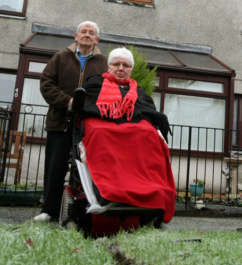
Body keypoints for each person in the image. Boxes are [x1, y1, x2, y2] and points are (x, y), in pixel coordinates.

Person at [79, 47, 176, 223]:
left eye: (125, 65)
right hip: (101, 125)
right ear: (109, 67)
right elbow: (87, 107)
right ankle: (108, 189)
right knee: (101, 132)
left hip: (131, 126)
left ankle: (152, 190)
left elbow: (147, 110)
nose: (121, 68)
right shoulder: (95, 83)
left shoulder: (137, 90)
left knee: (149, 134)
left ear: (131, 70)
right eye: (116, 64)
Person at [34, 21, 107, 222]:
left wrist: (88, 106)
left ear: (97, 39)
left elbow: (106, 93)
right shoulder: (60, 57)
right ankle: (48, 211)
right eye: (83, 32)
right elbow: (46, 84)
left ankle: (83, 213)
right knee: (54, 168)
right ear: (76, 36)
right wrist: (68, 102)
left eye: (91, 33)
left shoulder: (104, 63)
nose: (87, 35)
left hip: (88, 127)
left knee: (85, 170)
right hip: (59, 122)